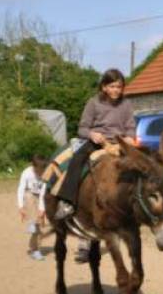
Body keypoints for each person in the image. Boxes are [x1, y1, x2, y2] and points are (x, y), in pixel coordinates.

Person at [53, 68, 135, 221]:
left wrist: (130, 137)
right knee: (77, 160)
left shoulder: (126, 104)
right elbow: (82, 128)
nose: (116, 90)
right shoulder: (94, 103)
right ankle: (67, 201)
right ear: (104, 87)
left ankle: (138, 203)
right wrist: (92, 134)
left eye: (119, 87)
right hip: (98, 142)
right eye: (112, 86)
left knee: (142, 164)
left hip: (119, 143)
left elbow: (130, 127)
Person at [18, 154, 49, 260]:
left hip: (40, 198)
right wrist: (21, 207)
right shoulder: (26, 173)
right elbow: (21, 189)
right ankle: (31, 222)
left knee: (38, 229)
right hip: (29, 196)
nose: (40, 173)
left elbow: (43, 194)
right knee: (29, 196)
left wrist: (42, 209)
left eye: (42, 171)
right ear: (33, 166)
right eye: (38, 171)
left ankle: (34, 249)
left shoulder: (46, 174)